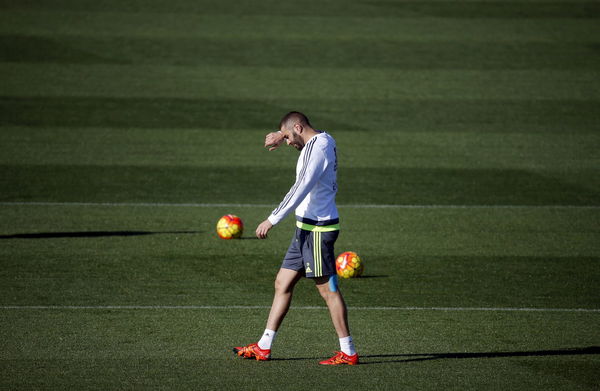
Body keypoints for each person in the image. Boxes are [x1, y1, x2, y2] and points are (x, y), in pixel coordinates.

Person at [233, 111, 359, 366]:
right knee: (282, 283)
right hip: (304, 229)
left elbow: (300, 187)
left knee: (328, 291)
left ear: (299, 128)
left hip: (317, 231)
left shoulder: (318, 149)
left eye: (291, 137)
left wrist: (272, 219)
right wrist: (283, 134)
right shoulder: (323, 139)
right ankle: (263, 347)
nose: (289, 143)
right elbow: (299, 133)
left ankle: (348, 351)